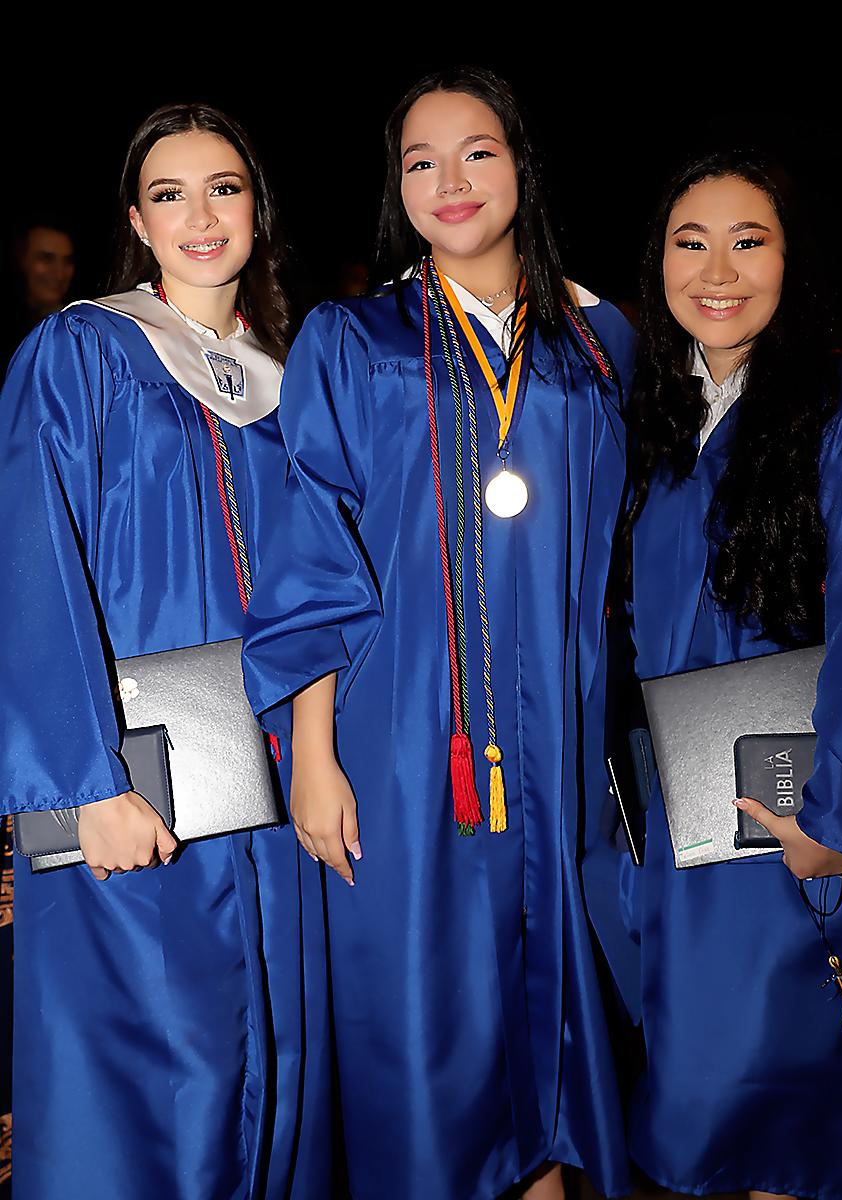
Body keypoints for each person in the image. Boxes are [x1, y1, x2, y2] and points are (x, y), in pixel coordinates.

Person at [242, 66, 636, 1200]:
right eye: (421, 161)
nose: (451, 181)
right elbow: (310, 551)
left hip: (556, 745)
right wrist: (312, 755)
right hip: (406, 748)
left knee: (550, 1054)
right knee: (422, 1049)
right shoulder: (354, 339)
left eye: (477, 151)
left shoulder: (597, 344)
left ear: (523, 162)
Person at [0, 103, 331, 1200]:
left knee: (270, 1075)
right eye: (171, 193)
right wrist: (82, 788)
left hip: (274, 794)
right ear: (137, 222)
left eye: (225, 188)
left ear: (257, 211)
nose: (201, 214)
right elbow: (35, 571)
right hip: (132, 790)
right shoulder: (83, 352)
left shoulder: (292, 384)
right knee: (146, 1086)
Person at [592, 151, 842, 1200]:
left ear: (795, 260)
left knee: (792, 1142)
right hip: (694, 839)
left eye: (751, 240)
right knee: (703, 1129)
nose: (718, 269)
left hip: (805, 838)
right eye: (690, 243)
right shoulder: (660, 423)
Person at [1, 220, 76, 371]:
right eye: (46, 259)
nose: (59, 273)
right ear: (20, 260)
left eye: (67, 261)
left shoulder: (77, 329)